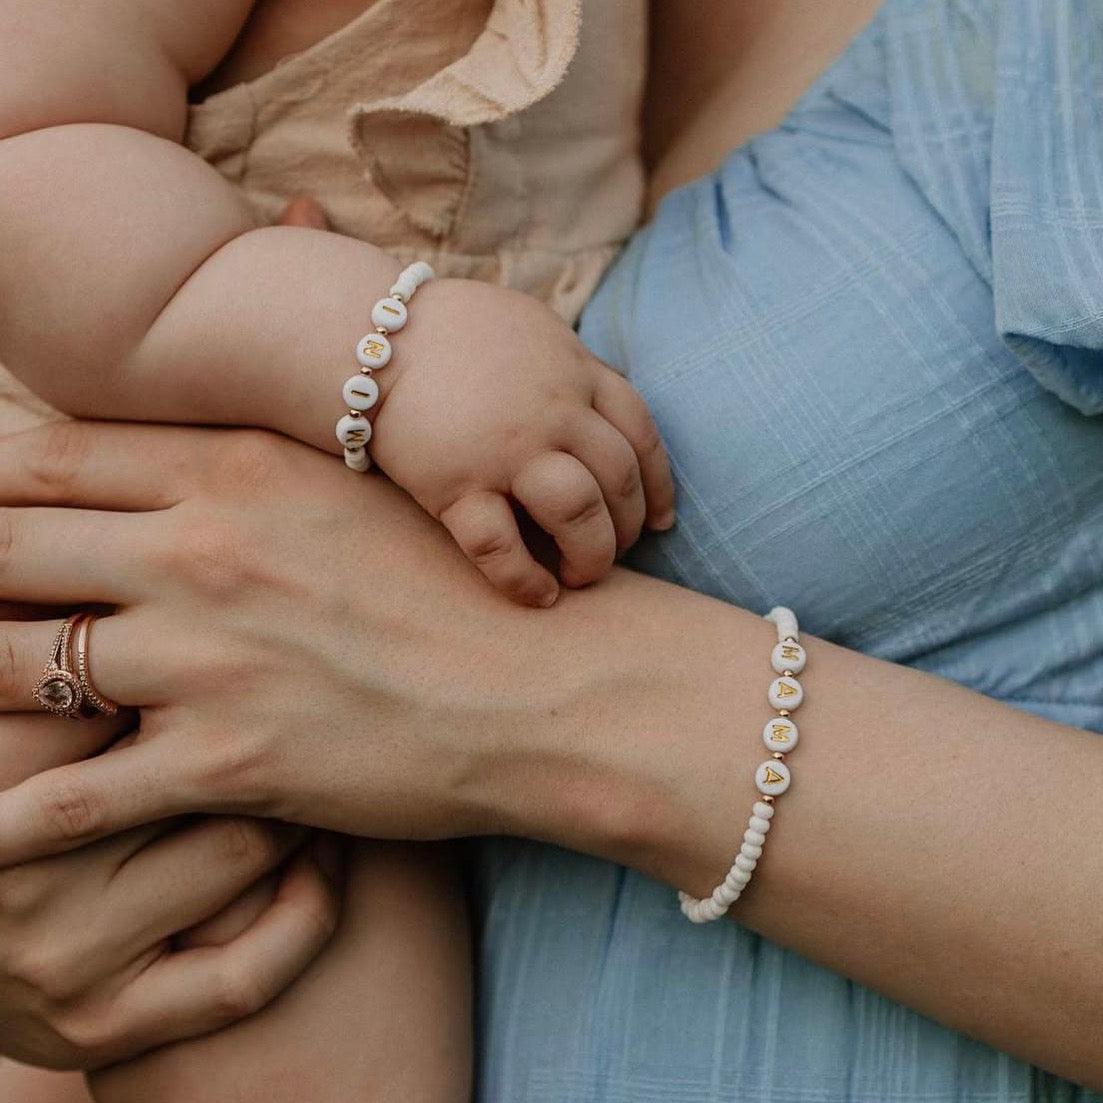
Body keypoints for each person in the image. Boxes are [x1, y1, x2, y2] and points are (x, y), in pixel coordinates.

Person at [3, 0, 1103, 1101]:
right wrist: (378, 346)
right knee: (251, 972)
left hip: (272, 665)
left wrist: (516, 690)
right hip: (139, 615)